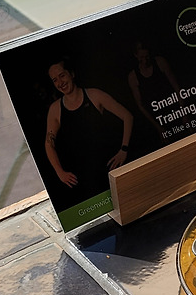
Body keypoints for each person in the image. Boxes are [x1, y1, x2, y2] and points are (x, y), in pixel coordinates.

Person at [44, 60, 134, 200]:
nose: (60, 82)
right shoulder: (55, 109)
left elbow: (127, 116)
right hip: (84, 179)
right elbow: (49, 144)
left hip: (110, 168)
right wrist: (60, 172)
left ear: (71, 74)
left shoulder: (94, 95)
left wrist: (124, 149)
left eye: (62, 75)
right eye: (55, 80)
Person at [126, 41, 180, 141]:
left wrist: (184, 112)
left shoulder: (160, 62)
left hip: (175, 111)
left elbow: (177, 87)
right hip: (156, 119)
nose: (145, 60)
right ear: (136, 55)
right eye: (141, 57)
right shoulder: (133, 77)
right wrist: (158, 127)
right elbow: (141, 106)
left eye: (147, 56)